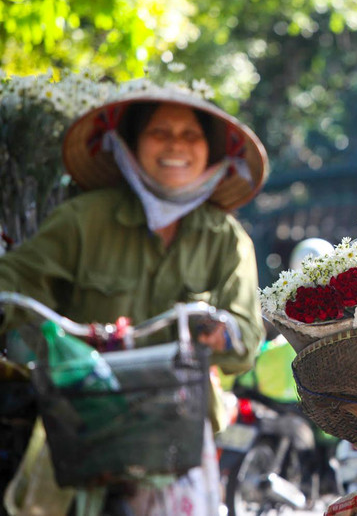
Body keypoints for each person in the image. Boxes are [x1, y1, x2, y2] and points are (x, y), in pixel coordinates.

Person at [0, 86, 269, 514]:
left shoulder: (226, 239)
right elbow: (17, 278)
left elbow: (247, 337)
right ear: (131, 143)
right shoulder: (83, 219)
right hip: (84, 412)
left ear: (211, 150)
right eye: (159, 131)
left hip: (179, 422)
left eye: (191, 134)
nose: (176, 144)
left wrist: (224, 335)